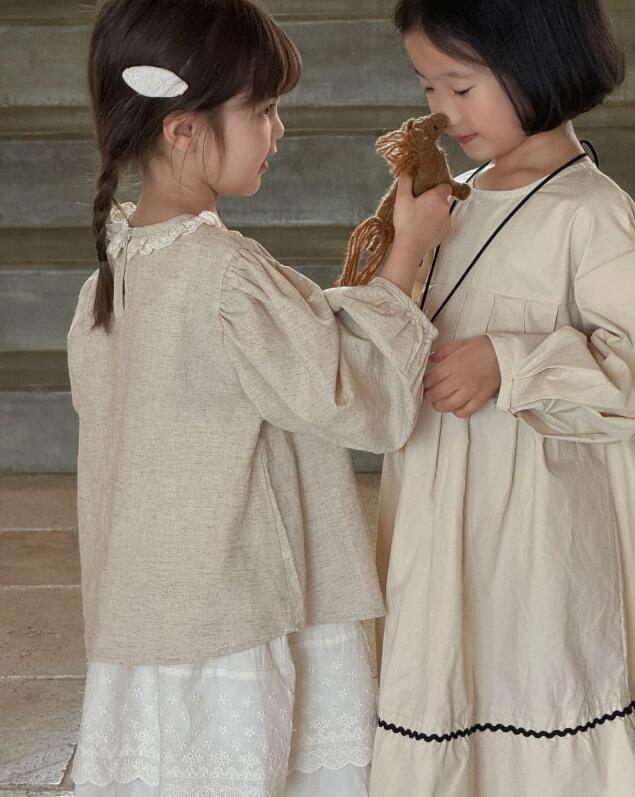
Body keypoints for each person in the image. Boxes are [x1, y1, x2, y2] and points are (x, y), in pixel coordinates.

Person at [66, 1, 451, 794]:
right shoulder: (226, 275)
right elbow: (351, 393)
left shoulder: (111, 278)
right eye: (264, 109)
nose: (279, 129)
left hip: (147, 625)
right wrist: (408, 253)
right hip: (238, 619)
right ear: (185, 130)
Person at [371, 1, 635, 795]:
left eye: (460, 86)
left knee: (533, 654)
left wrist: (509, 361)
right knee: (454, 650)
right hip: (445, 498)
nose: (442, 111)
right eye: (428, 87)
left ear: (536, 63)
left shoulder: (591, 212)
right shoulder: (455, 199)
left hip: (542, 519)